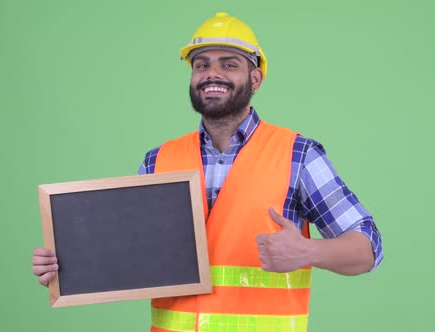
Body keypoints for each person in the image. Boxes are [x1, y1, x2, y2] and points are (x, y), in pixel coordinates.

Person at [32, 12, 383, 332]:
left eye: (229, 64)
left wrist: (309, 252)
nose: (212, 74)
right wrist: (66, 265)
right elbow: (122, 255)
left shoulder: (298, 155)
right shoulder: (158, 162)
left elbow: (368, 247)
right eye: (201, 65)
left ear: (255, 78)